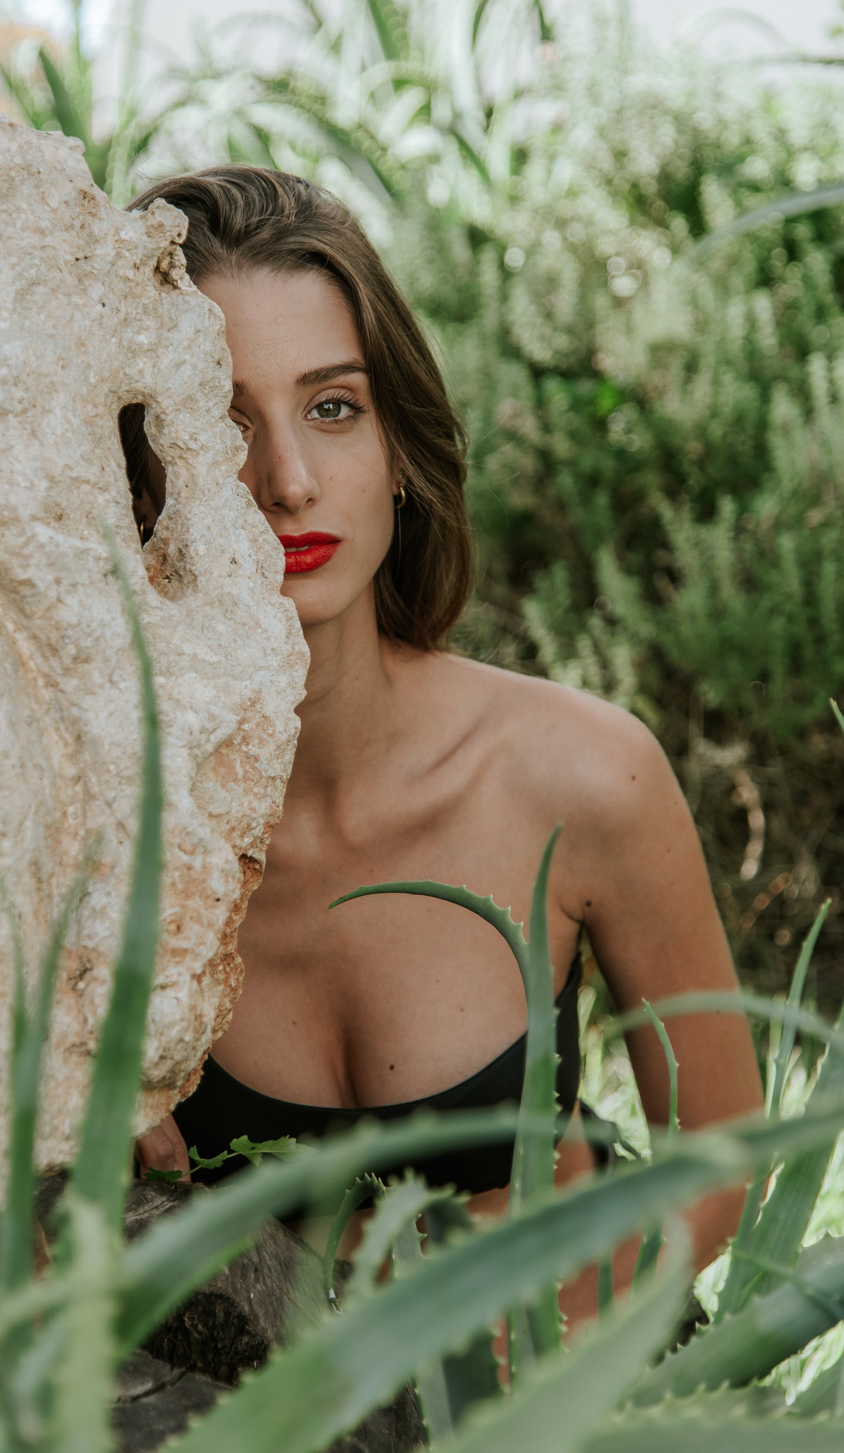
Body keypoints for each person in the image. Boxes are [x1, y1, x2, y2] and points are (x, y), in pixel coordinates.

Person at [125, 165, 763, 1325]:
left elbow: (719, 1149)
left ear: (400, 446)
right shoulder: (110, 840)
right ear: (140, 466)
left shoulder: (582, 775)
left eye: (334, 407)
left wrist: (520, 1380)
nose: (289, 481)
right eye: (218, 419)